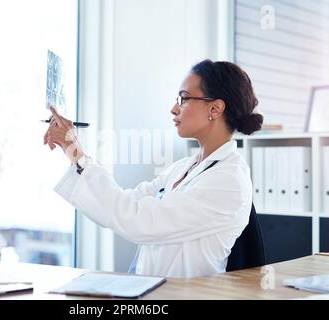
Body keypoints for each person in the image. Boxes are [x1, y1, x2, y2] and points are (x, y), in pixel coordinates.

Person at [43, 59, 263, 278]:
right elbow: (121, 206)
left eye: (183, 98)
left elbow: (138, 222)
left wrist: (76, 151)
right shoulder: (182, 168)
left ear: (215, 109)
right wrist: (73, 153)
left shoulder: (228, 180)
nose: (173, 108)